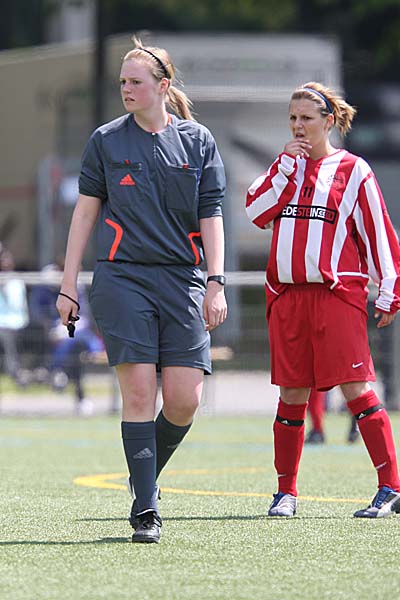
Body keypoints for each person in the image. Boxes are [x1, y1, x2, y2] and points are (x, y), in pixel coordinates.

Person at [56, 37, 227, 543]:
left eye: (135, 82)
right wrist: (68, 284)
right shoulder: (106, 140)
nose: (126, 89)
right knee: (138, 393)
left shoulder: (198, 141)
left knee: (184, 401)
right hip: (122, 279)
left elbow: (212, 214)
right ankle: (146, 507)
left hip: (184, 280)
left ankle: (143, 472)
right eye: (122, 82)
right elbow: (84, 214)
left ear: (163, 86)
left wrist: (215, 282)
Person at [246, 82, 400, 518]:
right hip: (288, 296)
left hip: (336, 296)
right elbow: (256, 212)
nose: (298, 126)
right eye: (292, 118)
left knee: (356, 388)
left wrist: (390, 289)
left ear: (328, 121)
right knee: (292, 393)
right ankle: (286, 492)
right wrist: (284, 168)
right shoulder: (283, 167)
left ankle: (390, 487)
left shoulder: (354, 170)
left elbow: (378, 233)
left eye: (306, 118)